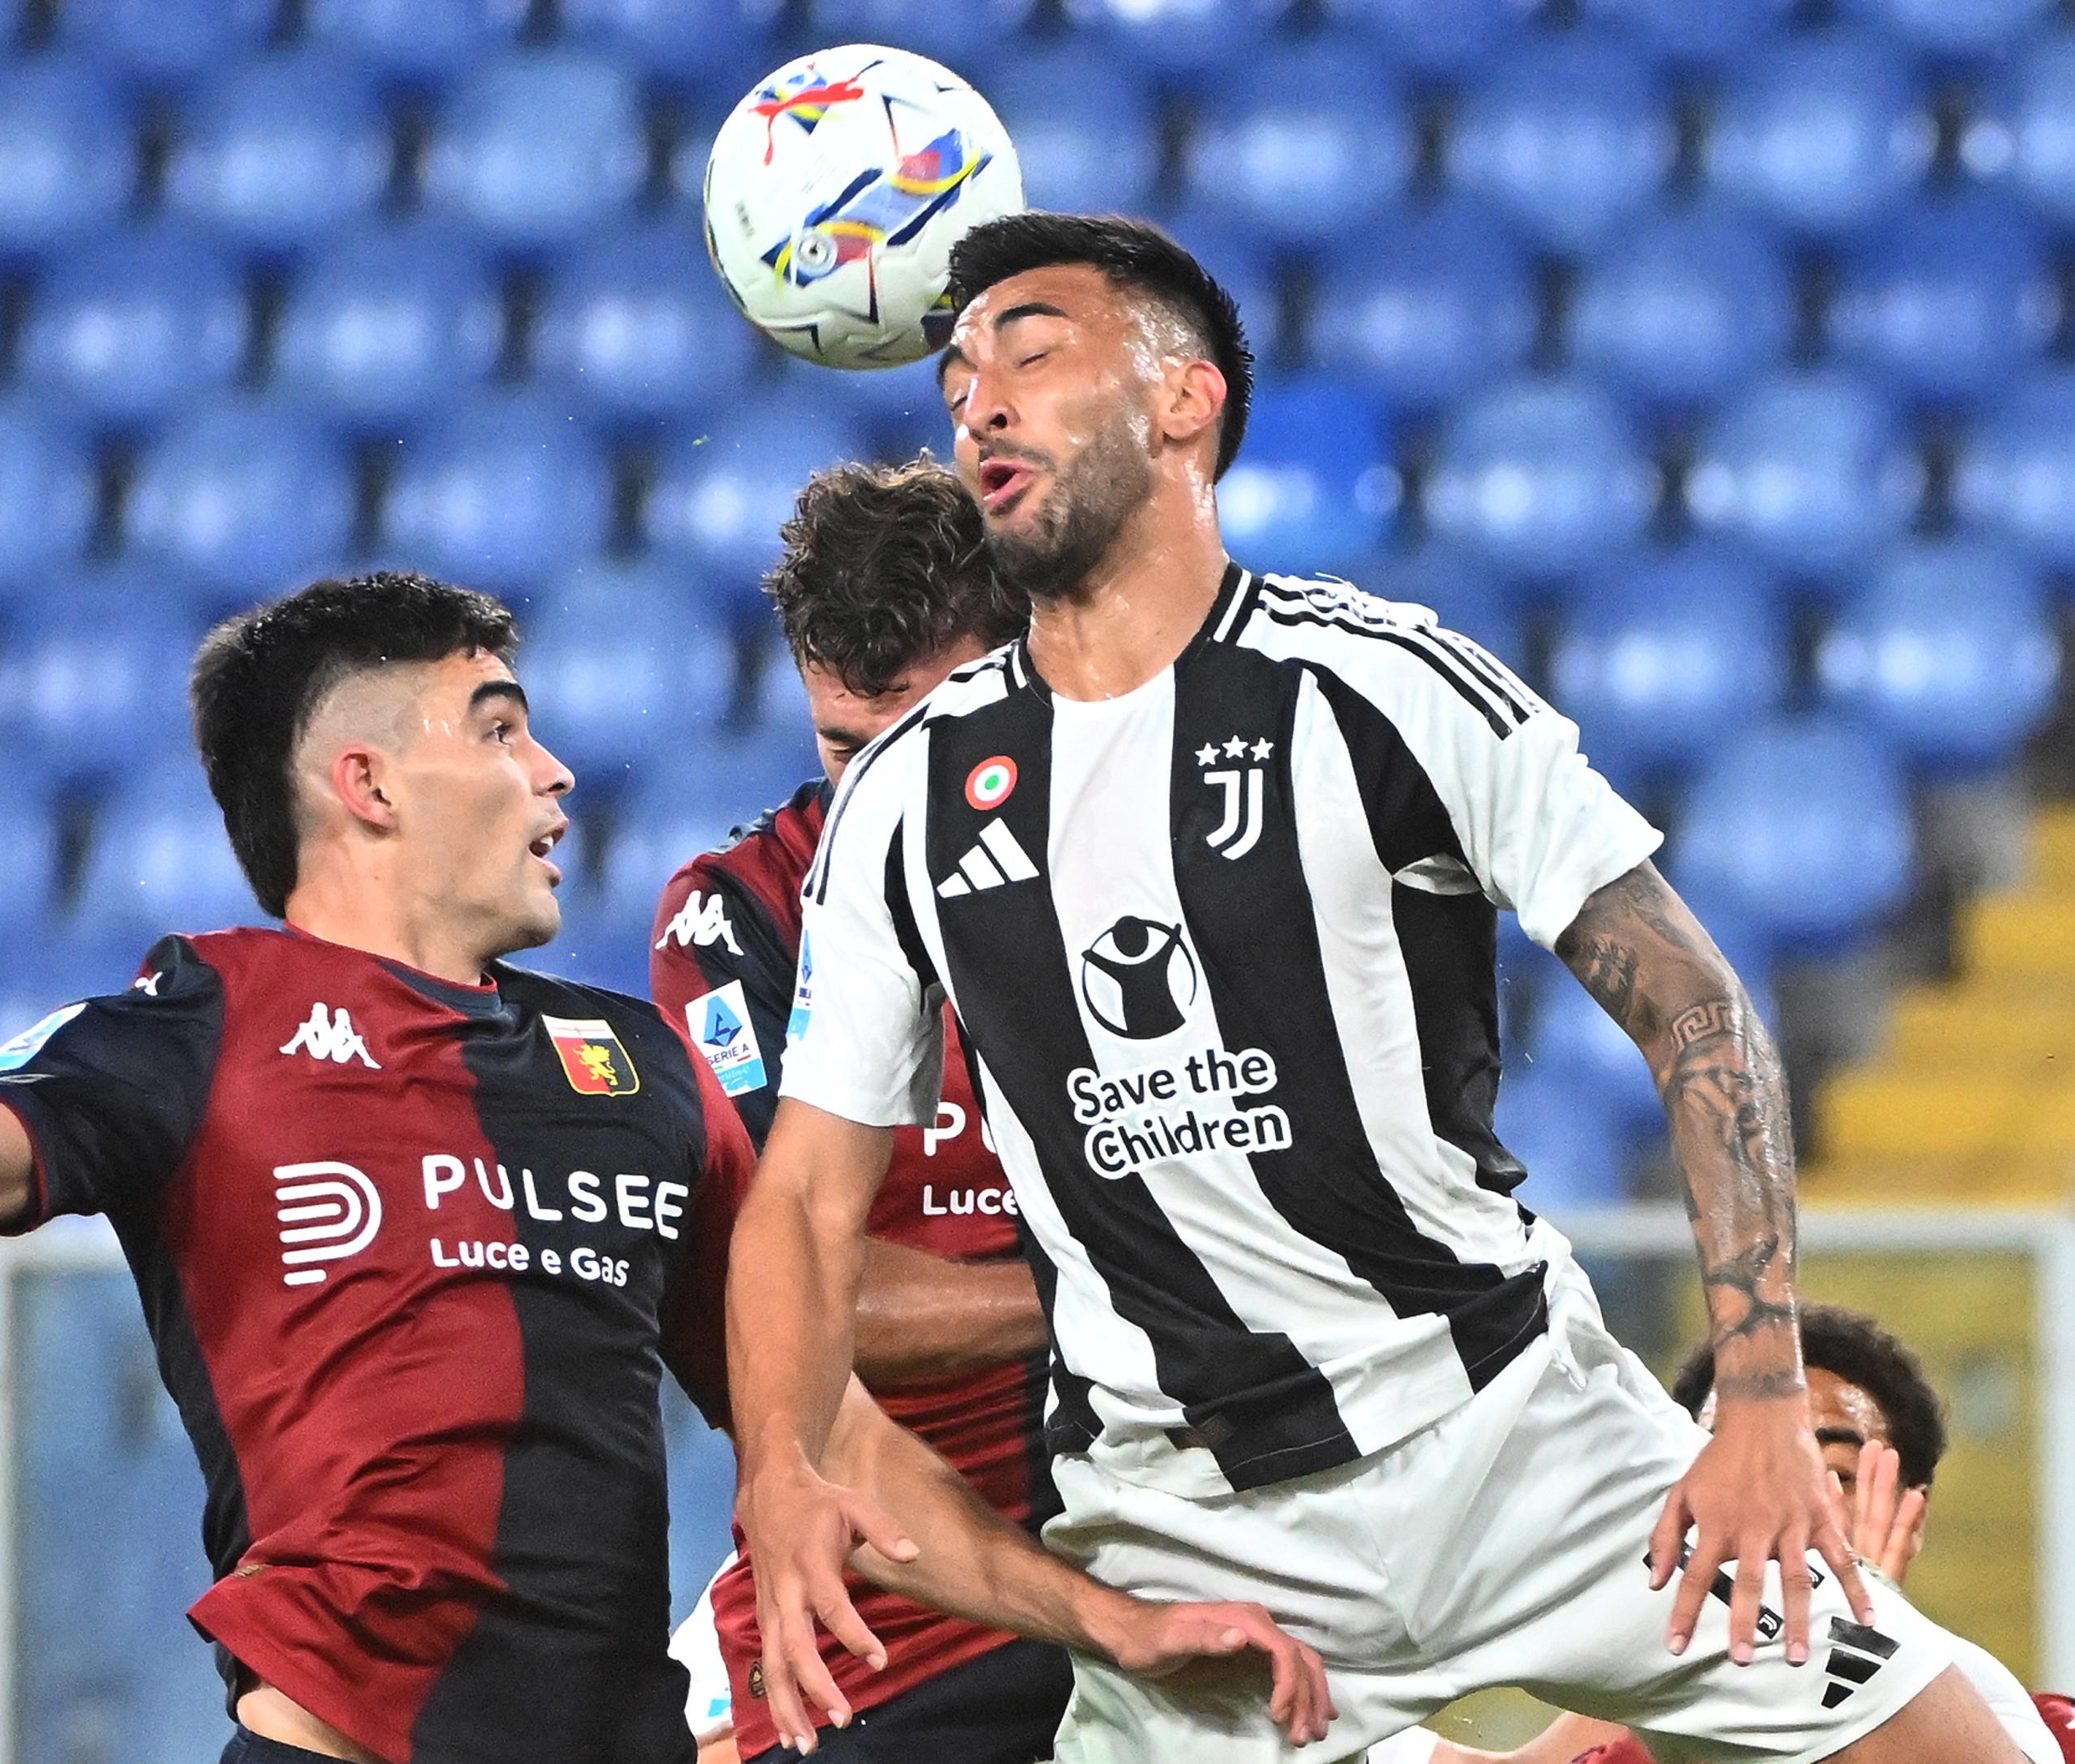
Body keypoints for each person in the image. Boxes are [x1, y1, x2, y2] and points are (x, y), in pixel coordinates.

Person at [722, 210, 2030, 1764]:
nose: (977, 403)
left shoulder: (1381, 685)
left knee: (1972, 1749)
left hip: (1517, 1444)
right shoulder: (909, 800)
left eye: (1032, 353)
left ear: (1183, 401)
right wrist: (779, 1471)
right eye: (954, 379)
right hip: (1184, 1525)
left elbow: (1692, 1009)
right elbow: (803, 1201)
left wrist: (1756, 1400)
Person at [0, 569, 1334, 1764]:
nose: (556, 773)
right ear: (365, 783)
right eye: (501, 727)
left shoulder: (635, 1067)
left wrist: (1108, 1626)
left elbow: (825, 1441)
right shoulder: (203, 1019)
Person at [652, 459, 1061, 1764]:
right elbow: (787, 1315)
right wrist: (1108, 1293)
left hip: (1171, 1547)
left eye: (936, 744)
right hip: (883, 1615)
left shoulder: (1150, 873)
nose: (891, 800)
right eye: (847, 752)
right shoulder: (742, 919)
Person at [1383, 1304, 2065, 1764]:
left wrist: (1864, 1632)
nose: (1778, 1514)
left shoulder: (2046, 1730)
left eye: (1830, 1474)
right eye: (1736, 1476)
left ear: (1909, 1512)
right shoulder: (1614, 1720)